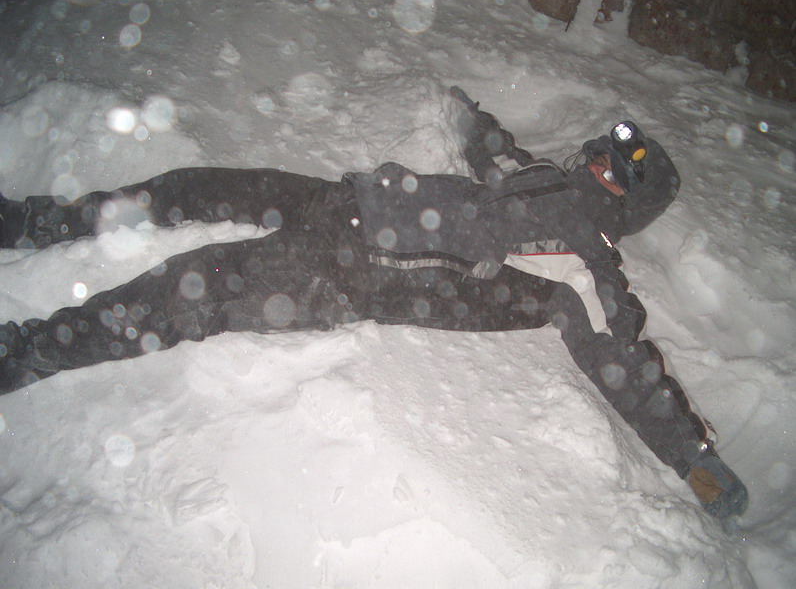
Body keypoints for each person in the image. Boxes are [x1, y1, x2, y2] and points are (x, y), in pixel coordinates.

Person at [0, 87, 747, 526]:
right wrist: (465, 111)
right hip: (348, 201)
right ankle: (43, 221)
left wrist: (697, 463)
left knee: (184, 288)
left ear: (630, 206)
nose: (599, 164)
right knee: (191, 186)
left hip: (349, 271)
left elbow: (629, 368)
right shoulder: (539, 175)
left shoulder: (587, 267)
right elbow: (493, 151)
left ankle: (25, 352)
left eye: (616, 171)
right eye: (604, 151)